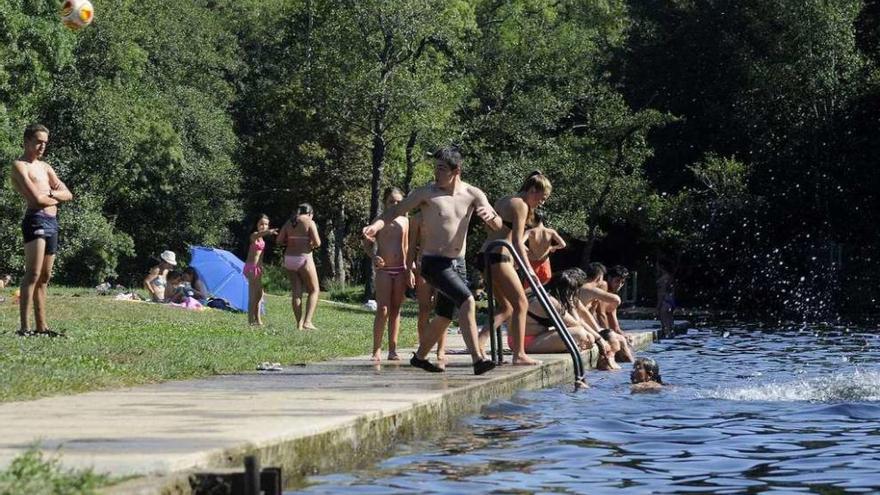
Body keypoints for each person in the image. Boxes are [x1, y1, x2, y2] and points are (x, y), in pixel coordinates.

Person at [363, 146, 502, 375]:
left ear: (456, 170)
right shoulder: (426, 193)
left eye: (441, 169)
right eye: (435, 168)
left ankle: (419, 358)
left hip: (458, 263)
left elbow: (497, 226)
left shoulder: (473, 194)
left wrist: (492, 218)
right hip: (434, 262)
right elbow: (395, 211)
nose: (435, 174)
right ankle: (478, 359)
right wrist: (375, 226)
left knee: (444, 316)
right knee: (467, 300)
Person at [476, 171, 552, 367]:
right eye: (542, 198)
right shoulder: (521, 204)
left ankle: (480, 343)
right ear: (533, 190)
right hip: (498, 256)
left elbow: (497, 230)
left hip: (485, 254)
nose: (541, 203)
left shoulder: (504, 199)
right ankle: (519, 354)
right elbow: (517, 240)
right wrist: (529, 269)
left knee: (507, 307)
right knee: (521, 304)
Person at [11, 124, 73, 337]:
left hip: (52, 221)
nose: (42, 146)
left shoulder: (45, 167)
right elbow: (36, 200)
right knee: (33, 273)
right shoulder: (20, 166)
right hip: (35, 220)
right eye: (38, 141)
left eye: (45, 143)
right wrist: (53, 194)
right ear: (27, 141)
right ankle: (24, 327)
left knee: (45, 276)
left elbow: (68, 193)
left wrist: (52, 195)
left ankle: (41, 326)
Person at [363, 187, 410, 361]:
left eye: (399, 202)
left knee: (396, 309)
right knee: (383, 309)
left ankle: (393, 349)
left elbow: (407, 247)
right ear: (385, 203)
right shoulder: (379, 220)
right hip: (384, 270)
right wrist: (374, 256)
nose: (395, 205)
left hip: (400, 269)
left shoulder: (406, 221)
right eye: (391, 201)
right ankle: (376, 349)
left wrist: (409, 269)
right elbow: (367, 244)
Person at [406, 210, 446, 365]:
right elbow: (411, 245)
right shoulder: (417, 218)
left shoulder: (443, 212)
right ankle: (424, 347)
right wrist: (409, 268)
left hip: (443, 262)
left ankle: (441, 348)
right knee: (424, 308)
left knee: (441, 308)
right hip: (423, 264)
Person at [520, 269, 594, 354]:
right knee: (579, 333)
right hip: (527, 342)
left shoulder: (536, 291)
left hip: (521, 339)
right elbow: (575, 324)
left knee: (580, 334)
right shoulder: (550, 301)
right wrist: (571, 303)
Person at [277, 203, 321, 330]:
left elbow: (279, 240)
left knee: (296, 292)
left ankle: (299, 324)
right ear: (310, 213)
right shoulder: (309, 222)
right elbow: (318, 242)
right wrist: (310, 243)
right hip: (304, 258)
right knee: (314, 290)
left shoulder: (289, 222)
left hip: (289, 258)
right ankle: (307, 321)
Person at [244, 214, 279, 325]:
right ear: (257, 225)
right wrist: (268, 231)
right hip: (251, 268)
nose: (264, 226)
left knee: (259, 295)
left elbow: (260, 255)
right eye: (261, 224)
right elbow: (259, 234)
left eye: (266, 224)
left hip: (258, 268)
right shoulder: (254, 235)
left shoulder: (262, 238)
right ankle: (250, 321)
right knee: (253, 295)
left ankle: (258, 320)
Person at [597, 265, 635, 362]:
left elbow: (615, 324)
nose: (620, 285)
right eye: (617, 281)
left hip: (600, 328)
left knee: (626, 341)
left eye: (622, 282)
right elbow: (600, 313)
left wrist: (623, 333)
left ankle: (631, 365)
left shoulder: (613, 295)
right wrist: (608, 335)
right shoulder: (603, 286)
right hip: (593, 327)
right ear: (609, 278)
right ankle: (631, 366)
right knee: (622, 344)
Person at [525, 210, 566, 286]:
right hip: (545, 264)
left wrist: (527, 250)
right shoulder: (551, 232)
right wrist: (553, 247)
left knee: (529, 289)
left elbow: (518, 243)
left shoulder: (530, 232)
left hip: (532, 263)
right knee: (542, 288)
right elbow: (563, 244)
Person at [656, 260, 676, 336]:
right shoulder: (670, 277)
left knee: (665, 326)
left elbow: (661, 292)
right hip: (670, 302)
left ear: (661, 267)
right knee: (670, 325)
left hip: (664, 302)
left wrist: (658, 305)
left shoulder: (663, 279)